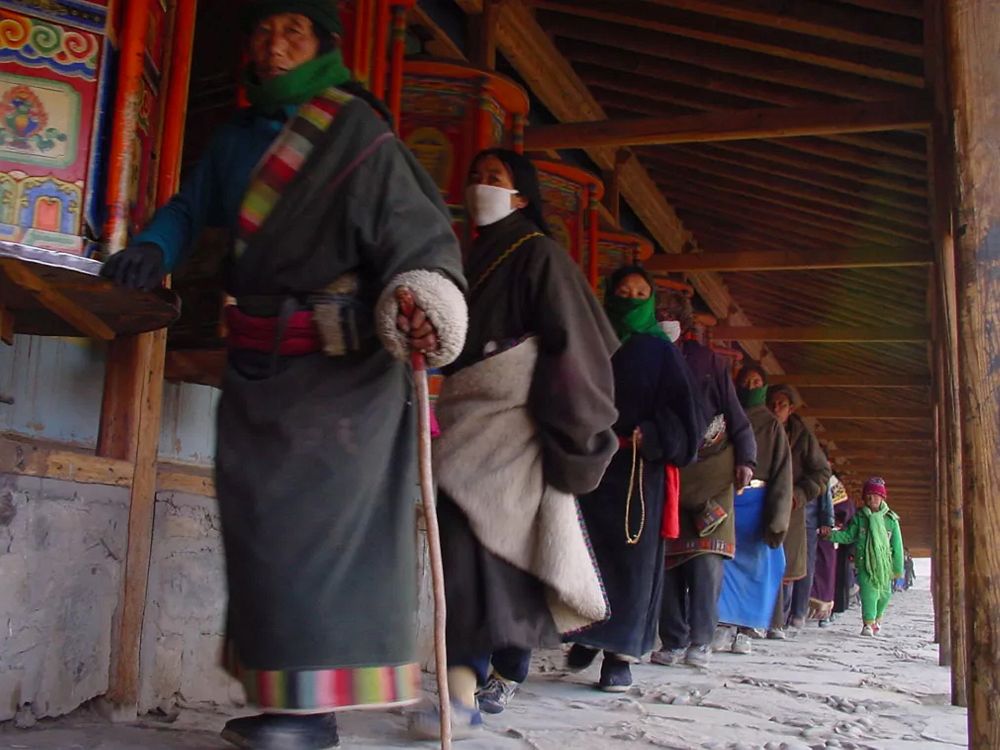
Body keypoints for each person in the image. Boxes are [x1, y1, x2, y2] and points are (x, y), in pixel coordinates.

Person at [102, 3, 469, 748]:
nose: (275, 45)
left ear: (323, 45)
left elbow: (417, 238)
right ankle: (288, 703)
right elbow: (189, 206)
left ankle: (306, 718)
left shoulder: (358, 135)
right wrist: (154, 246)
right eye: (264, 30)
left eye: (293, 31)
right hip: (258, 370)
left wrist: (423, 298)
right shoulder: (236, 138)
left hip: (343, 379)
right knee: (264, 541)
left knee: (318, 544)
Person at [414, 149, 619, 736]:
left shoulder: (541, 255)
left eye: (496, 179)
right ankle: (462, 689)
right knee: (457, 549)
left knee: (481, 553)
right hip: (461, 418)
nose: (482, 185)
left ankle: (462, 691)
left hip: (512, 425)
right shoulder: (468, 254)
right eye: (475, 175)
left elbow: (576, 352)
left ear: (522, 196)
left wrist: (569, 433)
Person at [565, 266, 704, 691]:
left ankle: (618, 657)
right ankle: (586, 634)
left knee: (631, 568)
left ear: (650, 300)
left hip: (638, 475)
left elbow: (687, 419)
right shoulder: (590, 339)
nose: (630, 298)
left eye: (640, 292)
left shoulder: (662, 351)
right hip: (591, 467)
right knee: (584, 558)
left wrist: (653, 435)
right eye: (623, 291)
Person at [651, 293, 757, 670]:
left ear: (683, 319)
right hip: (671, 474)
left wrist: (746, 459)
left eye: (670, 315)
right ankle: (673, 639)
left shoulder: (708, 361)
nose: (664, 319)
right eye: (658, 314)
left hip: (713, 474)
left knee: (706, 562)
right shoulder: (649, 355)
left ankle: (701, 639)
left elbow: (735, 414)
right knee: (667, 563)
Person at [716, 363, 793, 656]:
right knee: (725, 562)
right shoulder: (726, 417)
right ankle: (723, 624)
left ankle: (746, 629)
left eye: (756, 382)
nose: (750, 386)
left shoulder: (772, 425)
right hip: (727, 498)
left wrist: (778, 516)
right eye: (745, 381)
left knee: (757, 565)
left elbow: (782, 474)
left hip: (758, 503)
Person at [765, 384, 832, 639]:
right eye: (773, 402)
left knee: (785, 566)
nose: (776, 408)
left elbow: (822, 472)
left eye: (782, 404)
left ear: (791, 409)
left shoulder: (802, 437)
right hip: (757, 503)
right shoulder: (758, 427)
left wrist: (800, 495)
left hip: (790, 511)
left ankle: (777, 621)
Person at [822, 477, 904, 636]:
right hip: (865, 563)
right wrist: (830, 535)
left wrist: (897, 568)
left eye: (874, 495)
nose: (871, 498)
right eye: (868, 495)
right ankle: (868, 623)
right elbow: (848, 536)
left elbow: (897, 546)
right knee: (869, 594)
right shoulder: (859, 519)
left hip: (884, 566)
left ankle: (877, 618)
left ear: (882, 497)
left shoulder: (891, 521)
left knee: (884, 595)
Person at [810, 475, 850, 626]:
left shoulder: (833, 483)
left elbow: (845, 509)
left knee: (825, 573)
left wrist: (833, 525)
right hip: (805, 530)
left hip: (826, 537)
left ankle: (824, 613)